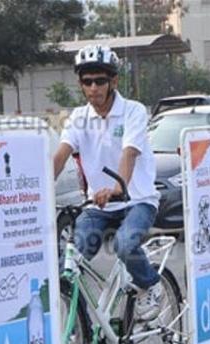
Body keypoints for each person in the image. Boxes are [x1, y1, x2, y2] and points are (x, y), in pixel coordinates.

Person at [52, 44, 162, 321]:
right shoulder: (78, 117)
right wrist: (36, 191)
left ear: (113, 81)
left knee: (125, 244)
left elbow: (130, 153)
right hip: (97, 206)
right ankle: (84, 333)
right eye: (86, 81)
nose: (93, 88)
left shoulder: (133, 112)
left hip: (136, 200)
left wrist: (117, 188)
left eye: (100, 80)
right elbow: (61, 155)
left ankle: (151, 284)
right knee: (70, 266)